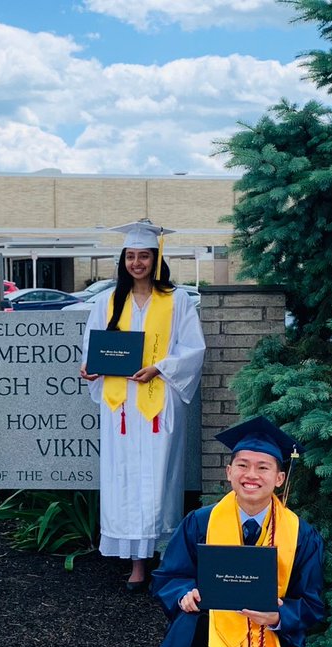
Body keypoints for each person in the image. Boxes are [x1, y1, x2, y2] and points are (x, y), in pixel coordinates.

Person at [138, 416, 325, 647]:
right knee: (192, 630)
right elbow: (169, 576)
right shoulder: (200, 522)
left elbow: (311, 602)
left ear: (279, 478)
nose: (251, 475)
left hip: (268, 627)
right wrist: (184, 594)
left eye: (263, 468)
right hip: (211, 621)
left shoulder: (301, 535)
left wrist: (281, 616)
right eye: (243, 465)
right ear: (229, 472)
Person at [79, 220, 206, 591]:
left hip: (158, 401)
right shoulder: (106, 301)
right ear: (123, 261)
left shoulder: (177, 300)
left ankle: (164, 558)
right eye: (131, 256)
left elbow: (192, 349)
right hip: (119, 406)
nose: (137, 263)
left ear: (156, 259)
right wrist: (90, 369)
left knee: (159, 478)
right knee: (123, 478)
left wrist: (160, 368)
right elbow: (93, 348)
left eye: (144, 256)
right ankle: (135, 563)